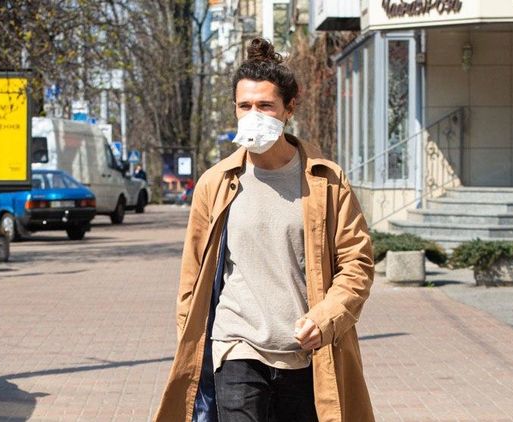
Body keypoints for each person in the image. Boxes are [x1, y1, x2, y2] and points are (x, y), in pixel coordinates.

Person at [154, 38, 375, 422]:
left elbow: (357, 263)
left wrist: (326, 319)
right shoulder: (216, 183)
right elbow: (192, 276)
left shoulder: (326, 180)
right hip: (236, 346)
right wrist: (192, 342)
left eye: (265, 106)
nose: (253, 115)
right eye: (244, 106)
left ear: (289, 108)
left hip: (307, 352)